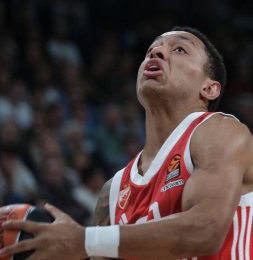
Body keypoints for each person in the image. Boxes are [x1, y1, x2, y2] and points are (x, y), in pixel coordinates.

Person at [1, 26, 253, 260]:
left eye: (179, 49)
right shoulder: (113, 190)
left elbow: (206, 230)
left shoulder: (219, 130)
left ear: (209, 88)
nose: (157, 51)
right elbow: (90, 246)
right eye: (151, 49)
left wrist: (83, 239)